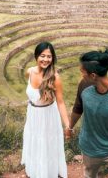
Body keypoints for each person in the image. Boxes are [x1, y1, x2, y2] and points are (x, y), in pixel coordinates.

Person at [66, 49, 108, 178]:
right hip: (89, 148)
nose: (81, 75)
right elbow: (77, 108)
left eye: (82, 72)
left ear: (93, 76)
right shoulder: (84, 85)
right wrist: (70, 127)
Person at [21, 42, 70, 178]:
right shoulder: (29, 72)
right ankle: (35, 172)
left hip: (48, 116)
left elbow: (60, 103)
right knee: (34, 142)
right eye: (42, 56)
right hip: (33, 114)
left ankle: (48, 173)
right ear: (36, 56)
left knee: (47, 145)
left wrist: (68, 125)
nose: (46, 59)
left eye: (49, 56)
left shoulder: (55, 78)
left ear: (53, 58)